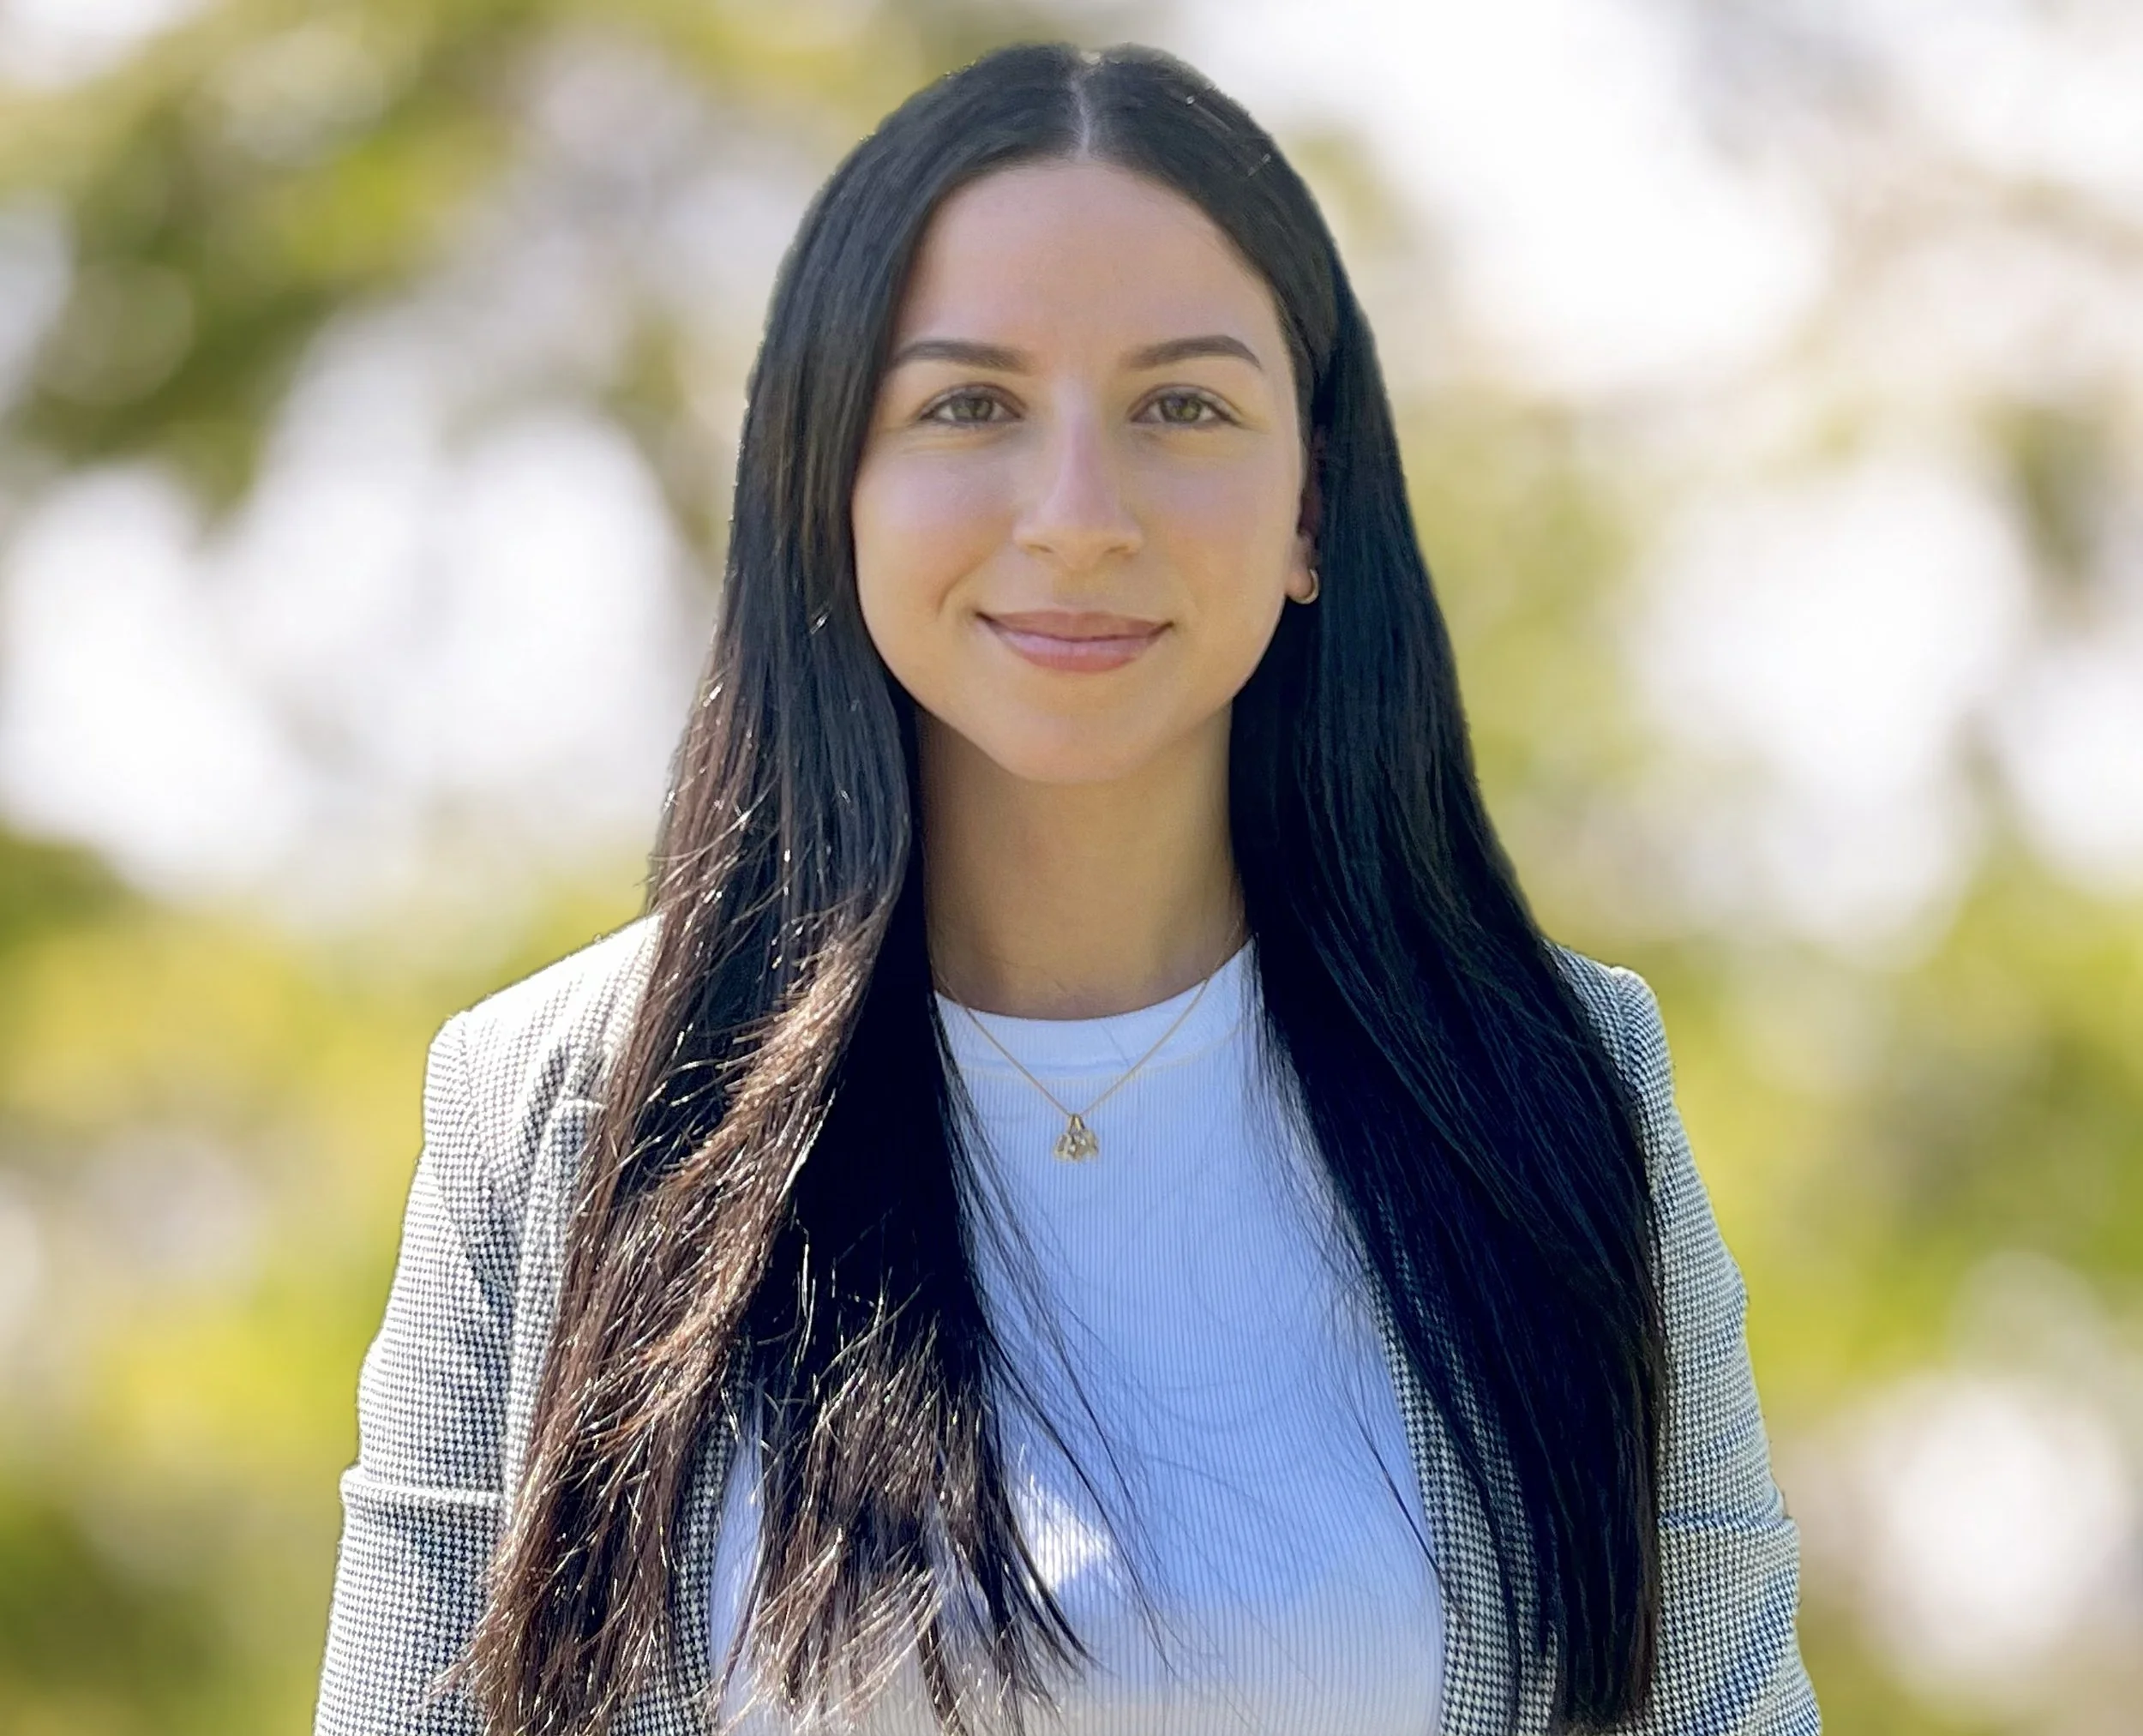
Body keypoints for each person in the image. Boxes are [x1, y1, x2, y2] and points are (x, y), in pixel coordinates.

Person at [313, 40, 1816, 1736]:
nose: (1076, 513)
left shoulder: (1554, 1082)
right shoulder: (558, 1111)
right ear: (832, 489)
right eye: (969, 405)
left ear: (1311, 504)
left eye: (1182, 405)